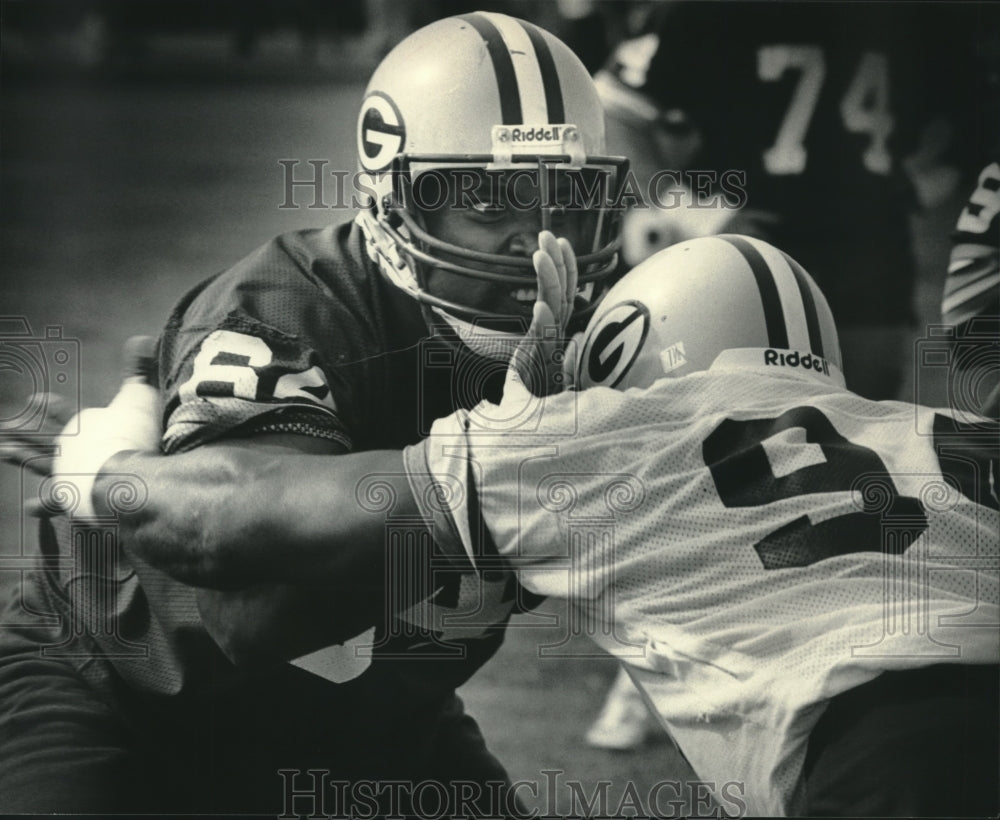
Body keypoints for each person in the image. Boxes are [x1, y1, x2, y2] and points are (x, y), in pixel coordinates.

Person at [46, 234, 999, 816]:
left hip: (886, 758)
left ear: (626, 354)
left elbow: (239, 521)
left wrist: (105, 462)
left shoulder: (605, 441)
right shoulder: (951, 433)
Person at [0, 10, 627, 815]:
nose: (533, 239)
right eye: (490, 200)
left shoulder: (607, 331)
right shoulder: (291, 309)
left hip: (375, 723)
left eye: (564, 201)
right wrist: (509, 471)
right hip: (127, 703)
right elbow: (248, 605)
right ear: (399, 199)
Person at [592, 0, 991, 402]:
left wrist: (916, 187)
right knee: (745, 420)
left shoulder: (918, 15)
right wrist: (697, 215)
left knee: (863, 422)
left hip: (863, 259)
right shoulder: (700, 12)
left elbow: (973, 117)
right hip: (751, 257)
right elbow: (615, 112)